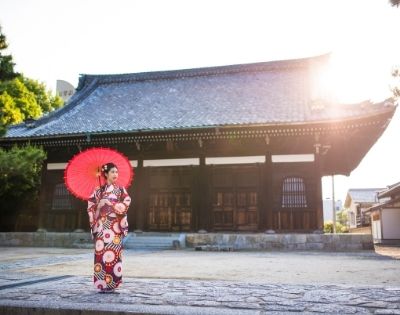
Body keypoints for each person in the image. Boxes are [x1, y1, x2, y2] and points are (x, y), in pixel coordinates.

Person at [87, 162, 131, 293]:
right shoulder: (97, 191)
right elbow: (91, 209)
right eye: (112, 172)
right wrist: (99, 206)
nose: (115, 174)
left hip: (115, 226)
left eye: (117, 172)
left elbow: (126, 204)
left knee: (114, 255)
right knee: (101, 254)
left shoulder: (121, 190)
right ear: (105, 174)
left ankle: (113, 283)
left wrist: (111, 204)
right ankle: (101, 283)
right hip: (101, 226)